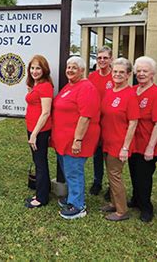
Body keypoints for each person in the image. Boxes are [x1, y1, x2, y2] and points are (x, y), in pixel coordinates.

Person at [51, 57, 100, 219]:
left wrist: (77, 139)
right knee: (68, 171)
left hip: (76, 140)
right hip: (63, 140)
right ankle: (72, 197)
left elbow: (85, 117)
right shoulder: (70, 86)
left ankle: (78, 206)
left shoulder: (86, 88)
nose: (70, 70)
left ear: (82, 70)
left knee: (74, 172)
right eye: (68, 67)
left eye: (74, 68)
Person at [100, 58, 139, 221]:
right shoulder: (110, 91)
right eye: (115, 71)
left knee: (115, 175)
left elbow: (133, 123)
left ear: (128, 75)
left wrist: (125, 147)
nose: (117, 74)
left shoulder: (130, 95)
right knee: (110, 174)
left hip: (119, 143)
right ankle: (114, 203)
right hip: (107, 141)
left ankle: (121, 211)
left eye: (121, 72)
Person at [128, 56, 157, 222]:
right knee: (134, 173)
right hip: (133, 143)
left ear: (152, 73)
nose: (141, 74)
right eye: (139, 71)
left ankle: (146, 207)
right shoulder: (133, 90)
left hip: (147, 144)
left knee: (144, 177)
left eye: (145, 71)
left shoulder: (156, 94)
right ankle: (136, 200)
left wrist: (151, 147)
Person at [24, 55, 54, 208]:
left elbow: (46, 112)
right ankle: (44, 189)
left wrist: (35, 134)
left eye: (38, 68)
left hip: (40, 131)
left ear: (44, 69)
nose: (35, 71)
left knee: (40, 162)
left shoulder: (46, 86)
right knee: (38, 161)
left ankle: (42, 198)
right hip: (32, 128)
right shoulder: (36, 85)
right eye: (32, 68)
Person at [88, 46, 113, 197]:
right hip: (96, 122)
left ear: (111, 59)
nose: (102, 60)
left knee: (110, 155)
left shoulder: (115, 76)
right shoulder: (92, 77)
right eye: (99, 58)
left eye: (105, 58)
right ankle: (97, 182)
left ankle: (112, 185)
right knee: (96, 153)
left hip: (111, 122)